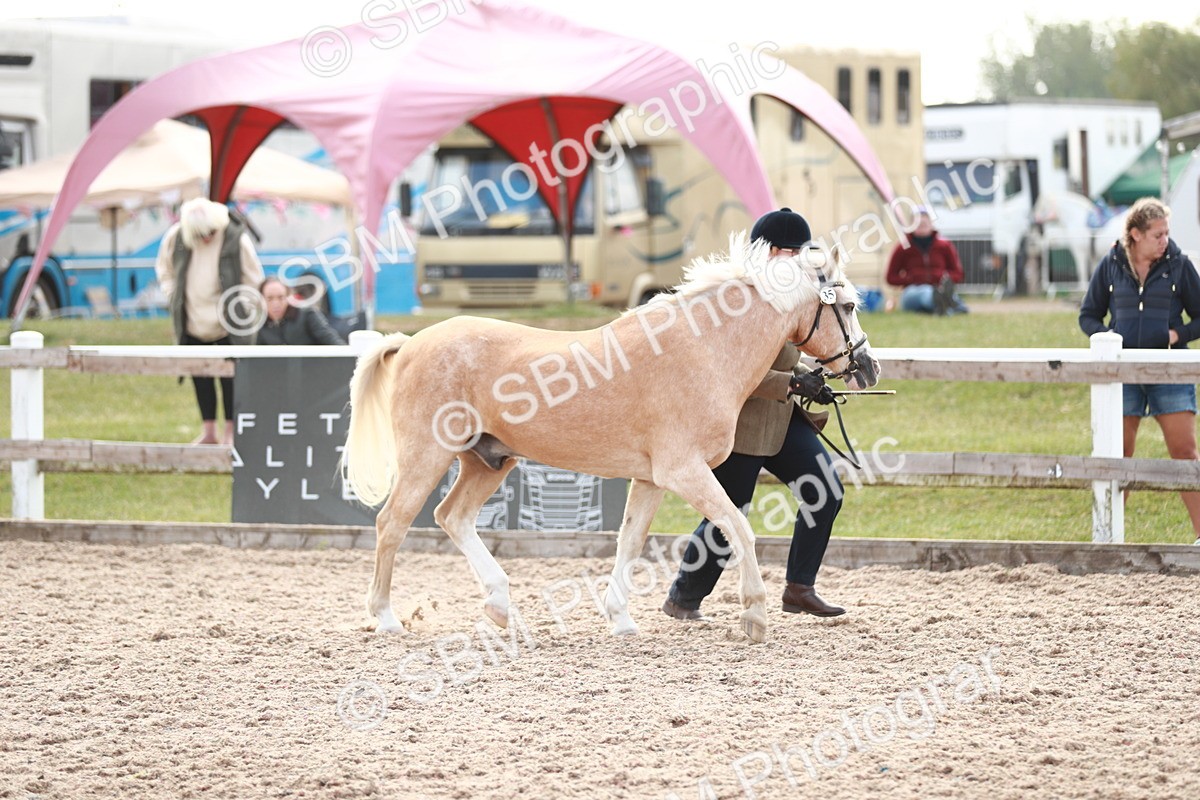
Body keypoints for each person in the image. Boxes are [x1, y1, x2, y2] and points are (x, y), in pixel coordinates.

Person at [662, 207, 847, 622]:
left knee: (825, 490)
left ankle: (800, 587)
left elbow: (786, 353)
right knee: (730, 515)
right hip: (739, 423)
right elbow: (729, 367)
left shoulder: (791, 295)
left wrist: (807, 377)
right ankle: (684, 597)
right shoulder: (734, 297)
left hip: (781, 420)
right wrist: (792, 383)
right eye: (798, 254)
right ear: (778, 253)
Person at [1079, 197, 1200, 544]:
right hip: (1123, 373)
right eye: (1157, 235)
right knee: (1119, 454)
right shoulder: (1111, 265)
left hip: (1170, 370)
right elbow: (1089, 315)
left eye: (1167, 234)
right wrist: (1105, 339)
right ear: (1135, 234)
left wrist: (1179, 334)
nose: (1165, 241)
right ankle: (1109, 538)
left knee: (1185, 452)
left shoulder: (1179, 265)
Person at [155, 197, 264, 445]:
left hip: (228, 325)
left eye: (211, 233)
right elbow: (165, 270)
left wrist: (241, 307)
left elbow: (254, 276)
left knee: (230, 378)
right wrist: (172, 294)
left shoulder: (236, 238)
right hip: (192, 321)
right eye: (201, 234)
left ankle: (230, 432)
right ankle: (209, 432)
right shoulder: (176, 237)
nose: (207, 238)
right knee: (199, 376)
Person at [885, 207, 969, 315]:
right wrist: (911, 278)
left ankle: (944, 306)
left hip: (939, 286)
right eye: (917, 222)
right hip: (912, 290)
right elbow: (890, 277)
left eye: (924, 221)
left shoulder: (945, 246)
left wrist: (943, 277)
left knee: (939, 292)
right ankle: (947, 304)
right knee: (927, 292)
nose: (921, 224)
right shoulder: (903, 247)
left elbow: (958, 274)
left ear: (931, 223)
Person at [253, 276, 346, 346]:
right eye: (270, 299)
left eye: (281, 297)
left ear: (288, 297)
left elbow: (334, 342)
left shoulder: (308, 315)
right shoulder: (259, 325)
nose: (276, 304)